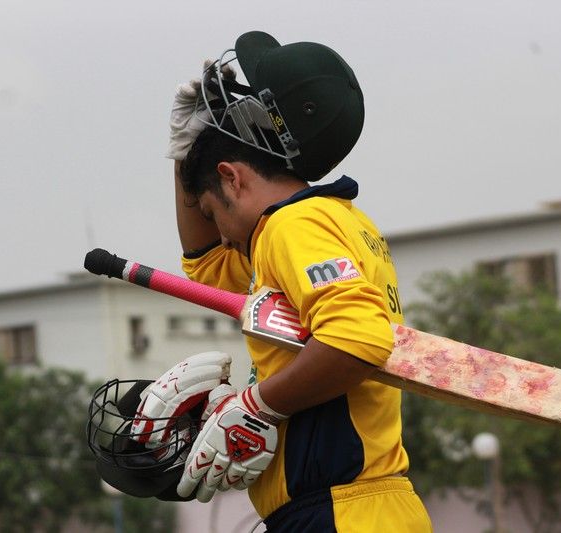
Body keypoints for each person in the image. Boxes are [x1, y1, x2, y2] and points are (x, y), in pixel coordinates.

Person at [163, 31, 433, 532]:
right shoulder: (320, 221)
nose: (221, 236)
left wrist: (256, 405)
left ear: (233, 178)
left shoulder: (295, 225)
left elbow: (356, 339)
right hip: (349, 509)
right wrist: (185, 153)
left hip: (343, 512)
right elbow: (207, 265)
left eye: (211, 212)